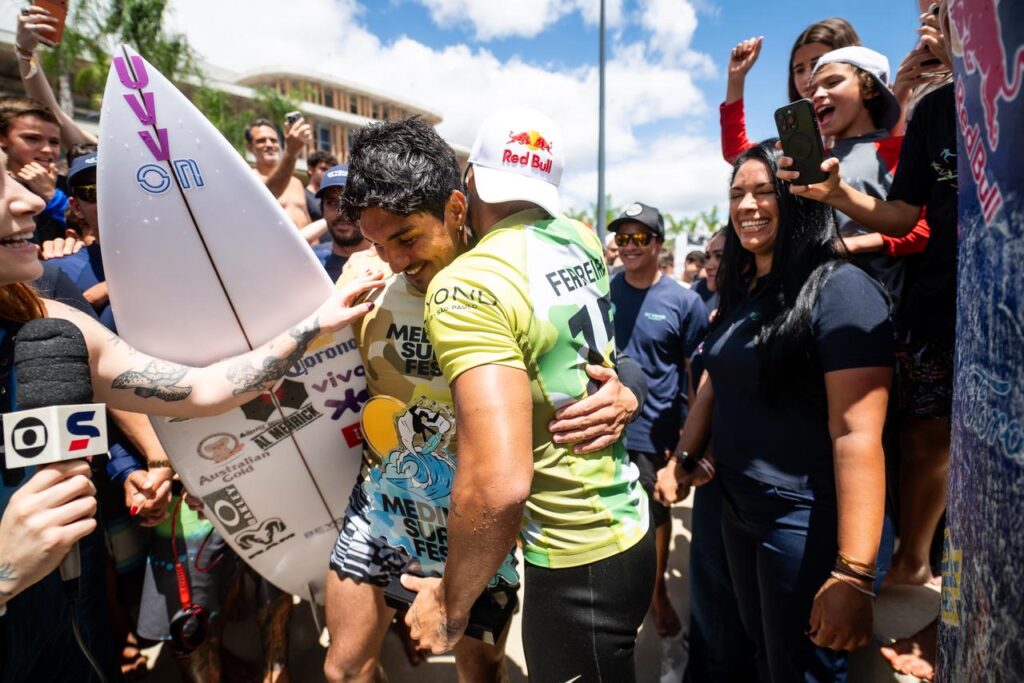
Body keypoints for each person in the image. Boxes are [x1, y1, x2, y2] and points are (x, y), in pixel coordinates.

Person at [0, 143, 383, 681]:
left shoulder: (51, 321)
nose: (30, 202)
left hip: (66, 618)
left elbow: (203, 390)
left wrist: (315, 325)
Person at [330, 115, 647, 683]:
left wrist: (628, 392)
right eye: (379, 243)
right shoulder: (362, 280)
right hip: (388, 502)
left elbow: (587, 350)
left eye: (405, 239)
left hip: (478, 516)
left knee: (482, 673)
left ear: (457, 206)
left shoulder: (488, 274)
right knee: (344, 667)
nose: (395, 259)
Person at [657, 141, 893, 682]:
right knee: (766, 657)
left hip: (802, 527)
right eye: (737, 193)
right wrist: (689, 454)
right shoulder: (749, 290)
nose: (746, 205)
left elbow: (857, 435)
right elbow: (719, 382)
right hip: (740, 513)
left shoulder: (843, 290)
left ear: (800, 199)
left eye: (765, 191)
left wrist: (853, 576)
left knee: (801, 671)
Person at [778, 4, 958, 676]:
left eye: (831, 78)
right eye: (806, 80)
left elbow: (911, 231)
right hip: (901, 320)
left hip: (884, 315)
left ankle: (895, 566)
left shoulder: (897, 134)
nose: (815, 91)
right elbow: (913, 212)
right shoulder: (925, 121)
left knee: (909, 445)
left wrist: (853, 237)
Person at [607, 202, 707, 641]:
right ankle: (620, 586)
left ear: (658, 244)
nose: (628, 246)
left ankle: (656, 590)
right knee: (609, 508)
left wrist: (688, 440)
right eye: (622, 238)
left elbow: (696, 378)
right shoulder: (604, 290)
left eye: (639, 238)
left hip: (656, 430)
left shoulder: (685, 301)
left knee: (653, 514)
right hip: (606, 423)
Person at [0, 97, 66, 243]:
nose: (47, 149)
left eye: (54, 142)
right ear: (2, 139)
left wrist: (52, 197)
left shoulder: (71, 185)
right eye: (32, 138)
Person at [246, 116, 314, 229]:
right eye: (261, 141)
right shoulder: (249, 178)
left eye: (273, 140)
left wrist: (316, 246)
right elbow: (267, 196)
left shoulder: (296, 183)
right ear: (249, 147)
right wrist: (291, 152)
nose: (269, 145)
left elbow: (306, 218)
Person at [312, 164, 370, 282]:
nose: (341, 212)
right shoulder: (310, 263)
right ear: (322, 209)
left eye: (351, 202)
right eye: (332, 202)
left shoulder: (390, 263)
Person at [690, 228, 725, 311]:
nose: (708, 266)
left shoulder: (754, 302)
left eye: (720, 256)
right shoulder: (696, 291)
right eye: (707, 257)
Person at [305, 150, 337, 223]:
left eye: (331, 171)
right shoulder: (302, 195)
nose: (328, 173)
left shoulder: (334, 198)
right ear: (310, 169)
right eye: (324, 169)